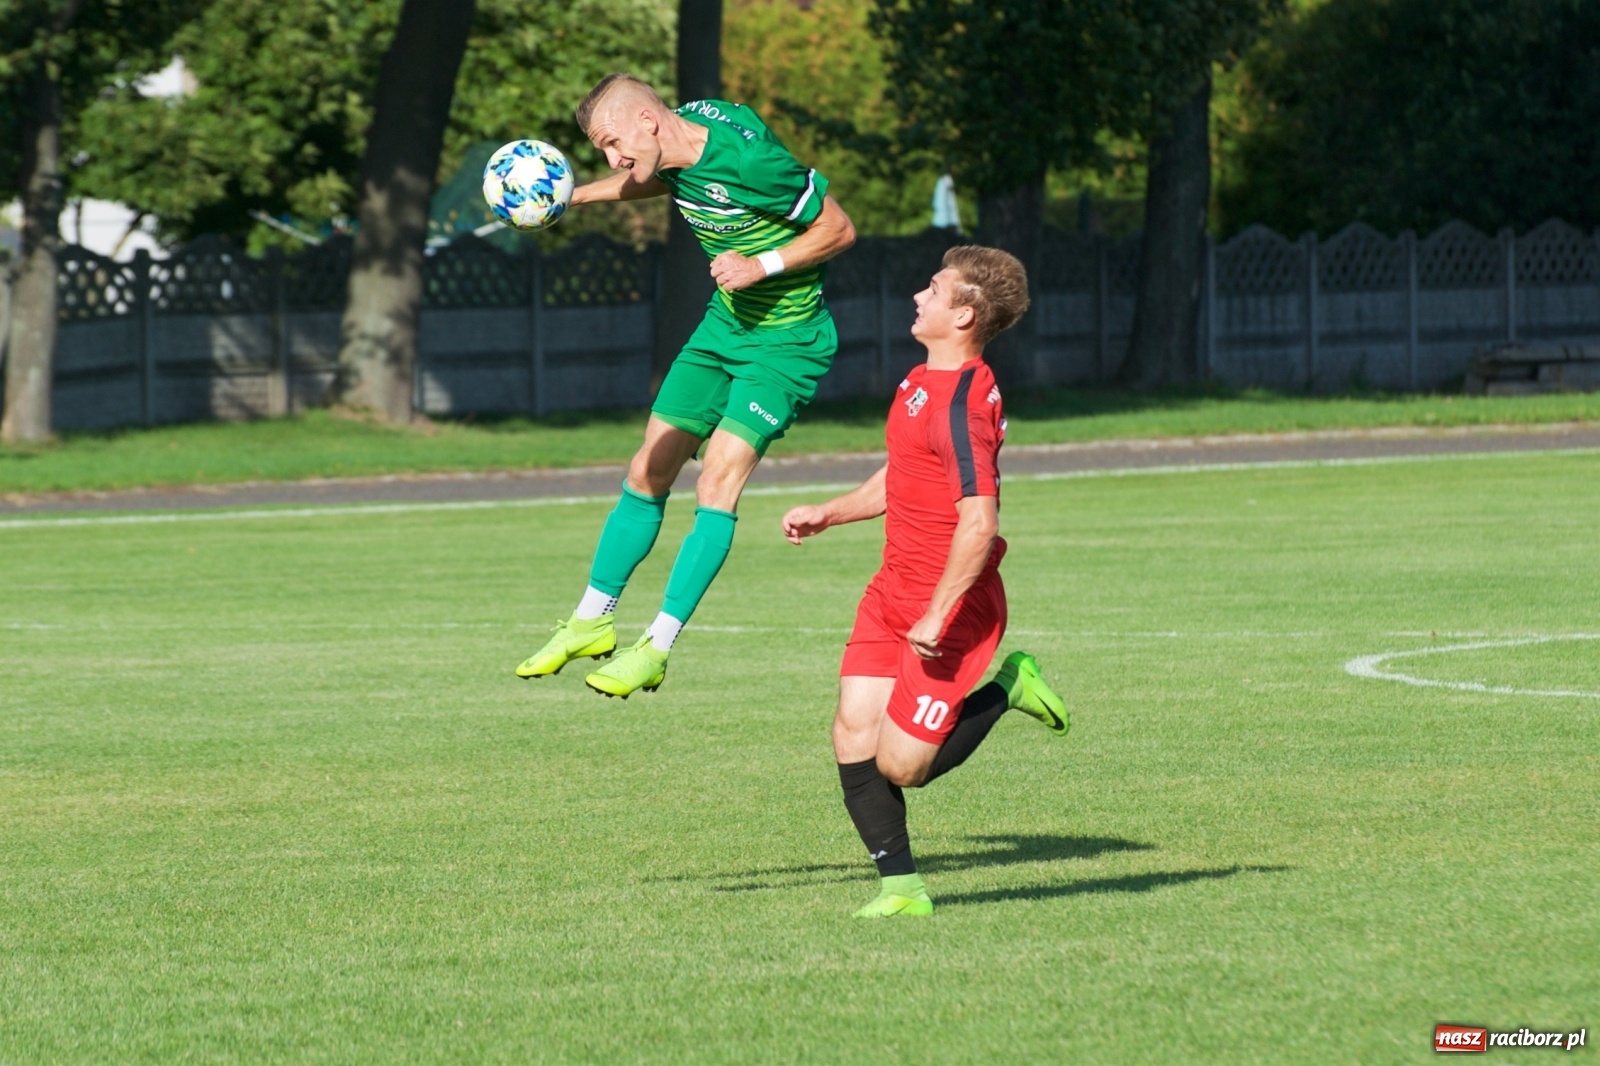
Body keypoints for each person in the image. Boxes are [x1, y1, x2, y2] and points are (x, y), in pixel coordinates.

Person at [515, 74, 856, 698]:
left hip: (786, 343)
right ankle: (591, 620)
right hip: (722, 328)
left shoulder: (750, 162)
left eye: (613, 142)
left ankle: (658, 645)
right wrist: (571, 198)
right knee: (648, 468)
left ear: (647, 121)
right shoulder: (674, 137)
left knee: (717, 476)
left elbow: (838, 228)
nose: (613, 159)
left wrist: (760, 265)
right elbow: (650, 178)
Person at [779, 245, 1069, 918]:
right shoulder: (919, 382)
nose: (918, 296)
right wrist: (831, 512)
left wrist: (938, 616)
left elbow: (978, 520)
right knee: (852, 733)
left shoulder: (963, 404)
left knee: (903, 766)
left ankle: (1009, 686)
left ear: (964, 314)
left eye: (934, 291)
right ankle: (902, 889)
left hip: (948, 609)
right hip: (891, 593)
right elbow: (904, 476)